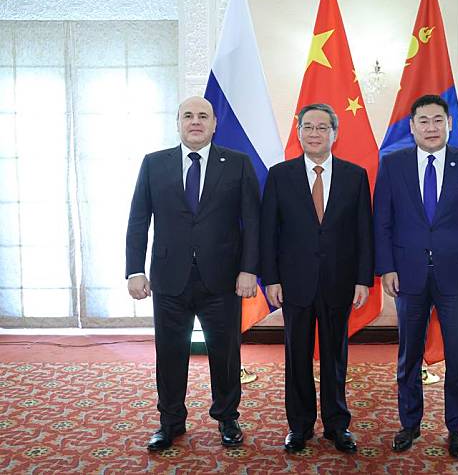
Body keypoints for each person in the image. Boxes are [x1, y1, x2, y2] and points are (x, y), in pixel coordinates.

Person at [125, 96, 260, 452]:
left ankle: (227, 418)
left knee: (226, 353)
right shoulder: (154, 164)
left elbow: (254, 223)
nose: (196, 121)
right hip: (170, 278)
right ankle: (170, 421)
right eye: (188, 115)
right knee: (169, 352)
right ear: (178, 122)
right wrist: (134, 270)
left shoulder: (238, 164)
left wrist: (249, 270)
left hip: (224, 278)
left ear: (215, 124)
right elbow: (139, 220)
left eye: (203, 116)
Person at [373, 94, 458, 459]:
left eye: (437, 120)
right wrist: (387, 269)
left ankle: (457, 427)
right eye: (423, 121)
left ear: (449, 124)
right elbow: (382, 221)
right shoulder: (393, 164)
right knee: (408, 354)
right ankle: (409, 423)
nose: (431, 127)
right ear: (412, 127)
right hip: (407, 274)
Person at [260, 104, 373, 454]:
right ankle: (300, 426)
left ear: (334, 134)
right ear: (298, 132)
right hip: (294, 283)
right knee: (296, 356)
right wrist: (272, 279)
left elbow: (363, 233)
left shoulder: (355, 176)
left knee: (335, 357)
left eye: (322, 127)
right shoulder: (280, 175)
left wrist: (362, 279)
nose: (314, 133)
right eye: (307, 126)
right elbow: (269, 234)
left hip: (340, 282)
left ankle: (337, 425)